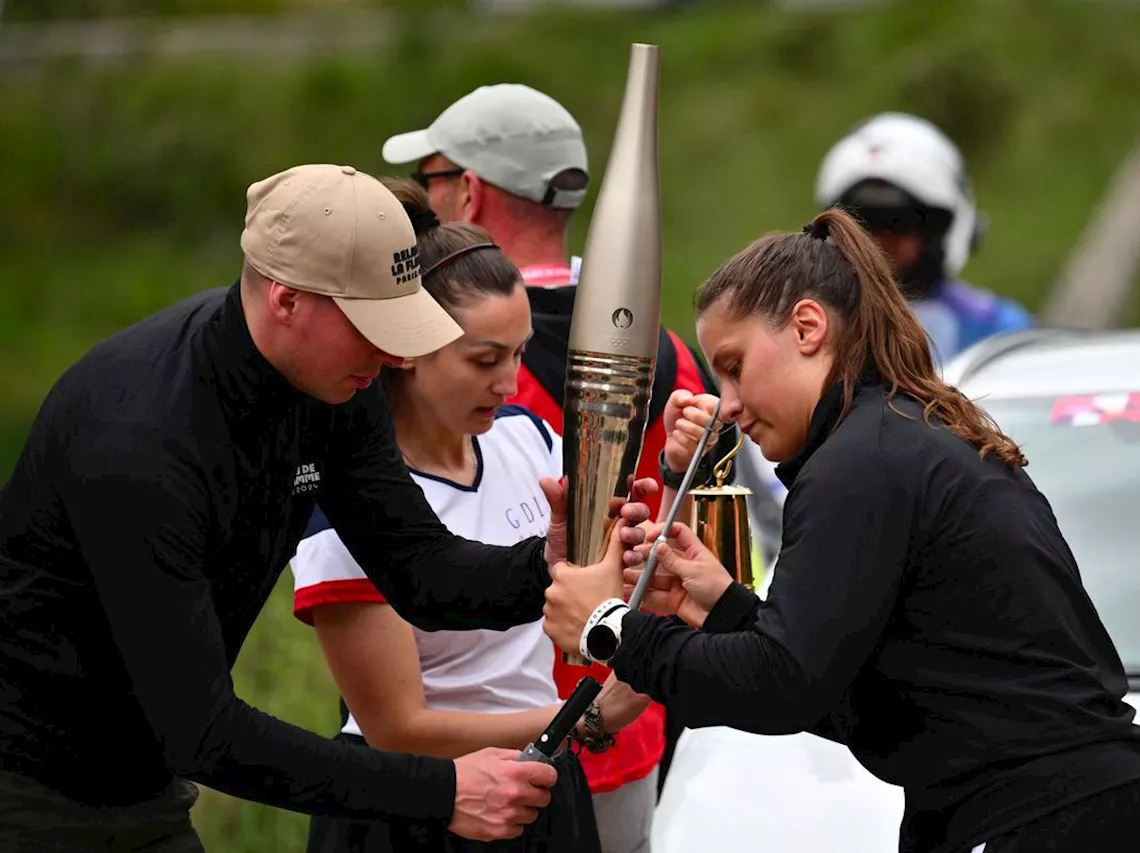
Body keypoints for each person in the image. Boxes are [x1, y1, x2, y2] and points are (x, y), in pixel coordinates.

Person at [0, 163, 655, 853]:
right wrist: (440, 791)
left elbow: (424, 574)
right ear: (286, 299)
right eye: (372, 323)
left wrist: (545, 562)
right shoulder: (142, 442)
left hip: (147, 783)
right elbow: (202, 730)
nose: (391, 351)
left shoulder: (338, 381)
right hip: (29, 787)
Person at [540, 206, 1140, 853]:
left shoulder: (859, 459)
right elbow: (847, 692)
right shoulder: (892, 433)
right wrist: (722, 606)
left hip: (1051, 818)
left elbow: (783, 685)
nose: (727, 404)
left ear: (807, 327)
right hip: (1074, 809)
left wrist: (609, 625)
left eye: (734, 365)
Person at [381, 83, 727, 840]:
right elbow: (704, 541)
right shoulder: (669, 352)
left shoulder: (442, 360)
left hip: (497, 758)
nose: (499, 380)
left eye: (433, 180)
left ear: (466, 189)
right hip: (637, 725)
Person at [290, 179, 652, 853]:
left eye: (518, 353)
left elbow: (582, 611)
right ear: (407, 348)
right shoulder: (352, 506)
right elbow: (399, 726)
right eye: (485, 360)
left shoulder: (530, 439)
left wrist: (638, 568)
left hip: (540, 786)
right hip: (419, 810)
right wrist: (584, 719)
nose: (510, 383)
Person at [735, 111, 1037, 576]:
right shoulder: (800, 331)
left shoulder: (1001, 331)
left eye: (900, 223)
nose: (879, 242)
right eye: (862, 224)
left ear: (939, 230)